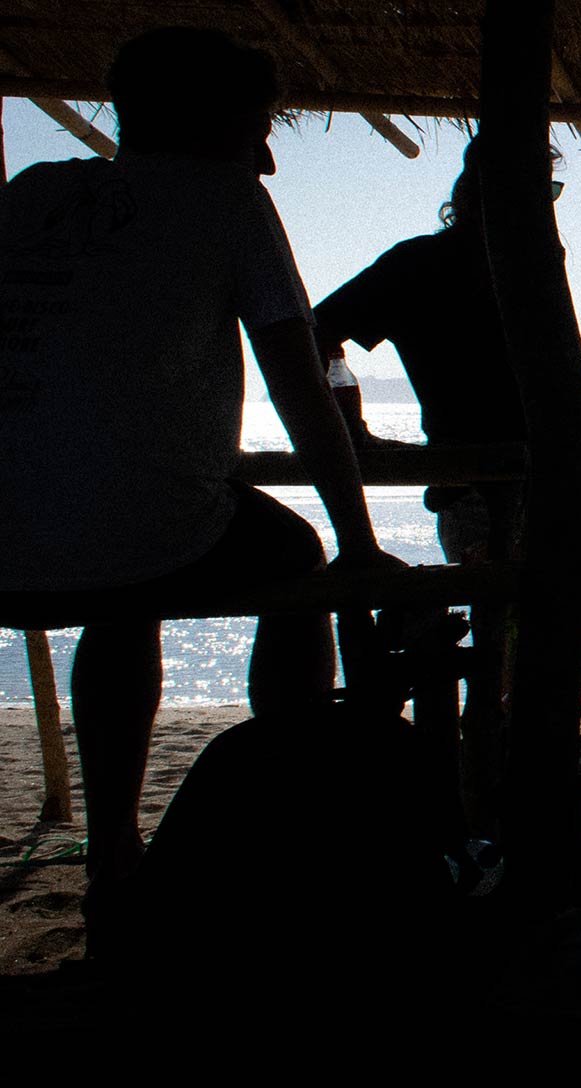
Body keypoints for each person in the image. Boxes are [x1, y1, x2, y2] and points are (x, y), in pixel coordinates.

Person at [0, 28, 398, 907]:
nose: (268, 159)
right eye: (259, 128)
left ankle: (112, 848)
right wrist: (360, 544)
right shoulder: (224, 199)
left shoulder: (33, 191)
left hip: (11, 535)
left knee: (122, 600)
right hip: (143, 528)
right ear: (213, 122)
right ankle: (277, 796)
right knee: (294, 560)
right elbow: (302, 389)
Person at [311, 137, 551, 830]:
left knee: (509, 637)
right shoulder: (433, 264)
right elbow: (317, 328)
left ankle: (492, 777)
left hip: (510, 481)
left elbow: (321, 331)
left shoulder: (505, 263)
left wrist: (348, 418)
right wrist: (348, 423)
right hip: (485, 484)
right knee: (505, 634)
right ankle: (487, 790)